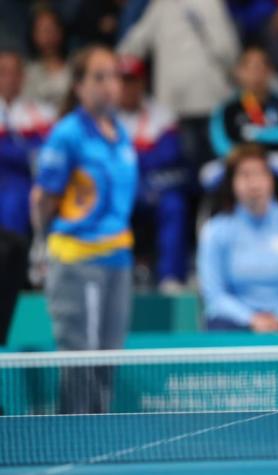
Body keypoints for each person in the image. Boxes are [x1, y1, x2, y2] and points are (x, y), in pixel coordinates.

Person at [31, 46, 138, 414]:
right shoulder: (68, 134)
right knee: (80, 360)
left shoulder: (119, 131)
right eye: (99, 77)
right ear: (78, 86)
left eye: (114, 76)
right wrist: (41, 247)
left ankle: (100, 442)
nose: (110, 85)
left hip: (118, 259)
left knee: (108, 357)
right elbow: (42, 198)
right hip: (77, 260)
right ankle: (75, 446)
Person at [198, 144, 278, 332]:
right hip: (236, 323)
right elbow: (214, 295)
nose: (254, 183)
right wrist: (251, 319)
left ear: (271, 179)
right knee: (216, 325)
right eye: (245, 175)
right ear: (232, 183)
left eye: (260, 174)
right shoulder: (215, 231)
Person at [118, 0, 240, 168]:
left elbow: (133, 46)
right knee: (213, 164)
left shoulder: (161, 5)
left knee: (185, 165)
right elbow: (227, 50)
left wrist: (110, 62)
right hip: (208, 97)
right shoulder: (210, 3)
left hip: (175, 100)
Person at [117, 55, 189, 291]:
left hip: (153, 189)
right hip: (116, 189)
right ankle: (113, 277)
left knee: (174, 204)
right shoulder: (104, 116)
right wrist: (139, 160)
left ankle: (170, 278)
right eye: (122, 81)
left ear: (142, 83)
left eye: (132, 81)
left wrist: (128, 159)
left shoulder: (161, 114)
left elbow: (168, 155)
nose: (127, 88)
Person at [209, 46, 278, 159]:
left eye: (261, 66)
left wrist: (253, 134)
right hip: (240, 161)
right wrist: (246, 158)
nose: (256, 72)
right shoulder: (226, 108)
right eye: (250, 67)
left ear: (270, 70)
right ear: (238, 72)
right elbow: (221, 145)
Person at [1, 48, 56, 239]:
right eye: (3, 72)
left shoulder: (42, 112)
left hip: (30, 181)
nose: (9, 78)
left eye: (15, 72)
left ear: (23, 76)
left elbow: (49, 152)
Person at [23, 6, 70, 112]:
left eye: (52, 29)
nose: (48, 35)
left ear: (61, 31)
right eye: (43, 30)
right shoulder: (27, 72)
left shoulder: (74, 67)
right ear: (33, 34)